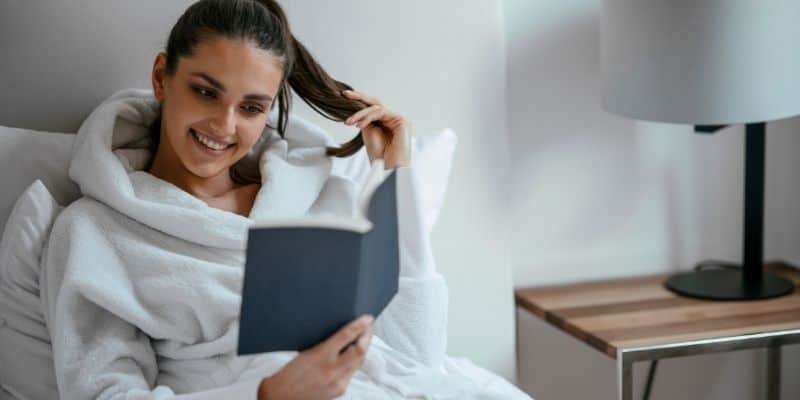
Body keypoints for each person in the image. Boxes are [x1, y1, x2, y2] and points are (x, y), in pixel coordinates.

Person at [39, 0, 533, 399]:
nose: (225, 126)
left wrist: (394, 175)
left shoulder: (311, 194)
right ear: (162, 77)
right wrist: (267, 396)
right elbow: (105, 393)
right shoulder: (95, 233)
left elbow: (417, 353)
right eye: (206, 92)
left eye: (251, 107)